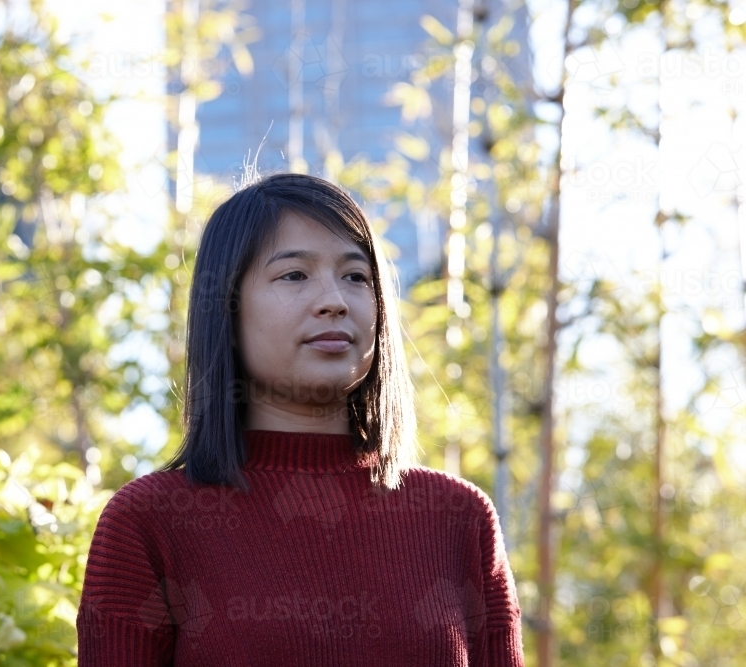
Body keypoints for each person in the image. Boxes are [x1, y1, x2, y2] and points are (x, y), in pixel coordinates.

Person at [76, 173, 524, 666]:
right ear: (226, 306)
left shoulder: (458, 518)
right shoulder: (149, 521)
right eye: (294, 275)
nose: (334, 300)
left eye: (357, 277)